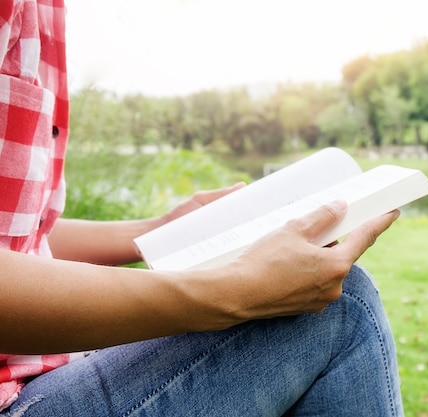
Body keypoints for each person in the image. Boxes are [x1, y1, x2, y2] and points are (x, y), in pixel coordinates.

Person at [0, 1, 404, 416]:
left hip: (39, 372)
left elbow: (24, 241)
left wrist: (158, 230)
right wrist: (231, 293)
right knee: (343, 309)